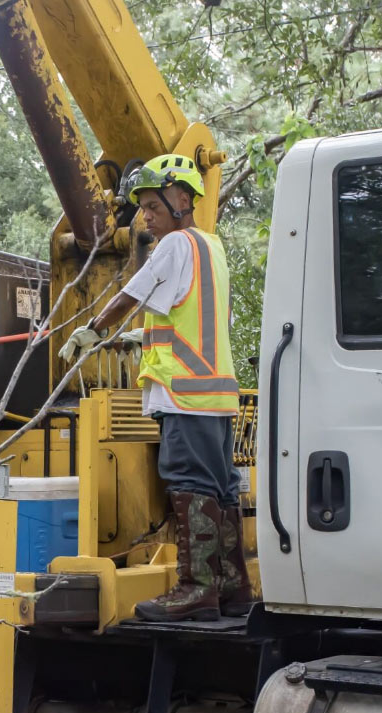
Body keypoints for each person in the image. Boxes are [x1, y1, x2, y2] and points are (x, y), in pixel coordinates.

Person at [57, 153, 252, 622]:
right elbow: (199, 319)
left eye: (153, 206)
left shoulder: (174, 244)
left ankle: (196, 587)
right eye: (142, 207)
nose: (145, 216)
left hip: (184, 392)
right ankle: (231, 588)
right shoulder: (211, 247)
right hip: (216, 395)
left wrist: (95, 330)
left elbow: (131, 294)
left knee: (188, 482)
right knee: (221, 487)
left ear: (182, 198)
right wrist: (142, 336)